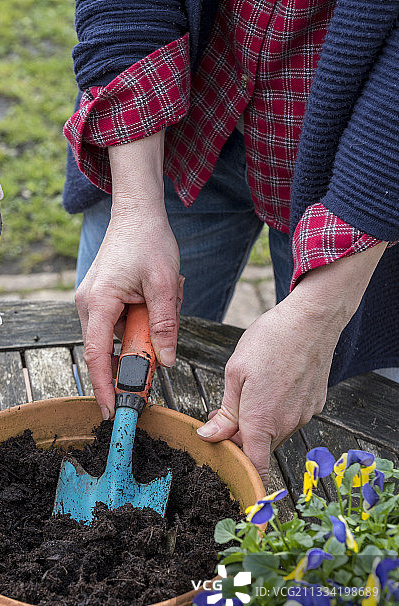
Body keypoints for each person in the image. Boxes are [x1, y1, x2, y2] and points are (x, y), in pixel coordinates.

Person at [62, 0, 399, 483]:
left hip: (368, 174)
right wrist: (135, 207)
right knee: (109, 348)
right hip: (179, 119)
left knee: (363, 416)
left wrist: (319, 313)